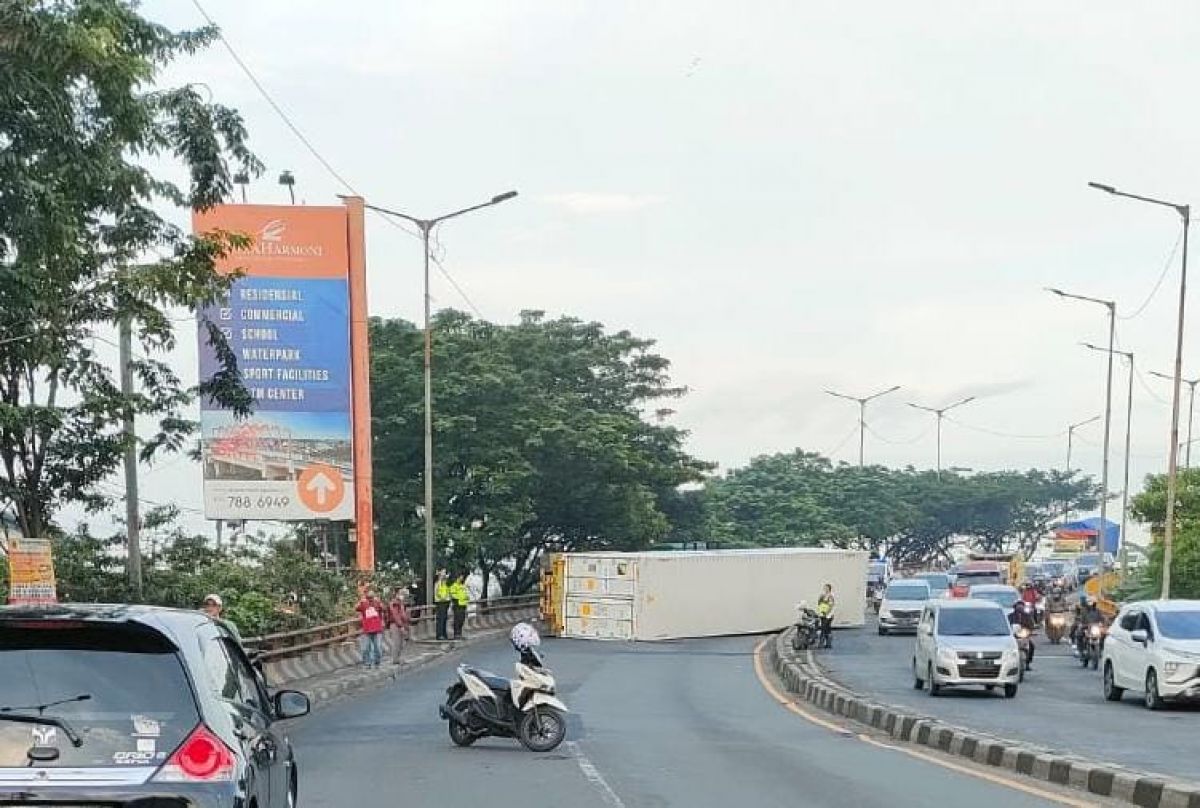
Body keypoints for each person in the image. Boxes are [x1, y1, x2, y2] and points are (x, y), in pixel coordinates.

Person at [356, 590, 385, 667]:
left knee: (377, 647)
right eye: (368, 598)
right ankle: (368, 662)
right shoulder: (363, 604)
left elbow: (383, 609)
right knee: (366, 647)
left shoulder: (377, 603)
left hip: (377, 628)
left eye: (371, 598)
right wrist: (360, 602)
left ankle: (377, 661)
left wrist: (382, 621)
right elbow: (356, 608)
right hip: (367, 629)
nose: (370, 599)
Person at [1009, 599, 1036, 668]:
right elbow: (1008, 625)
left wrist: (1030, 631)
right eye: (1018, 605)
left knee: (1032, 646)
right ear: (1015, 607)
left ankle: (1028, 663)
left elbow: (1031, 625)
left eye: (1021, 605)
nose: (1020, 607)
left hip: (1024, 636)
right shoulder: (1010, 616)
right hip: (1014, 637)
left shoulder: (1027, 616)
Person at [386, 588, 411, 665]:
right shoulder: (395, 603)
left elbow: (403, 615)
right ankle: (396, 659)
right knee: (397, 642)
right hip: (396, 624)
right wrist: (401, 626)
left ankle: (399, 658)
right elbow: (396, 616)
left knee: (401, 643)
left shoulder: (400, 603)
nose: (404, 597)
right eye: (404, 595)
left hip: (401, 624)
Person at [449, 573, 470, 640]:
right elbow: (453, 596)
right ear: (458, 577)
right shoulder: (454, 586)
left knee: (462, 620)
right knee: (457, 620)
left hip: (463, 605)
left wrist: (466, 597)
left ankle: (460, 633)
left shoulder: (462, 586)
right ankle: (456, 634)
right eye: (461, 577)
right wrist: (461, 598)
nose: (462, 578)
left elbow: (465, 593)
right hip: (457, 605)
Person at [434, 570, 452, 641]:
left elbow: (448, 592)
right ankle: (439, 635)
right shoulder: (438, 583)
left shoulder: (445, 584)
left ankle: (444, 634)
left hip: (445, 602)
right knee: (440, 619)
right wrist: (442, 598)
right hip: (440, 602)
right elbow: (437, 592)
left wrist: (448, 598)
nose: (444, 575)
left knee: (444, 619)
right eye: (443, 574)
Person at [816, 583, 836, 649]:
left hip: (828, 615)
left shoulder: (830, 596)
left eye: (826, 588)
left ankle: (822, 644)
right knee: (826, 629)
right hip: (823, 614)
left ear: (829, 589)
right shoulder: (823, 595)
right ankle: (827, 644)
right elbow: (819, 603)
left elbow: (831, 606)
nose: (825, 589)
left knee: (824, 629)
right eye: (824, 588)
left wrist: (826, 612)